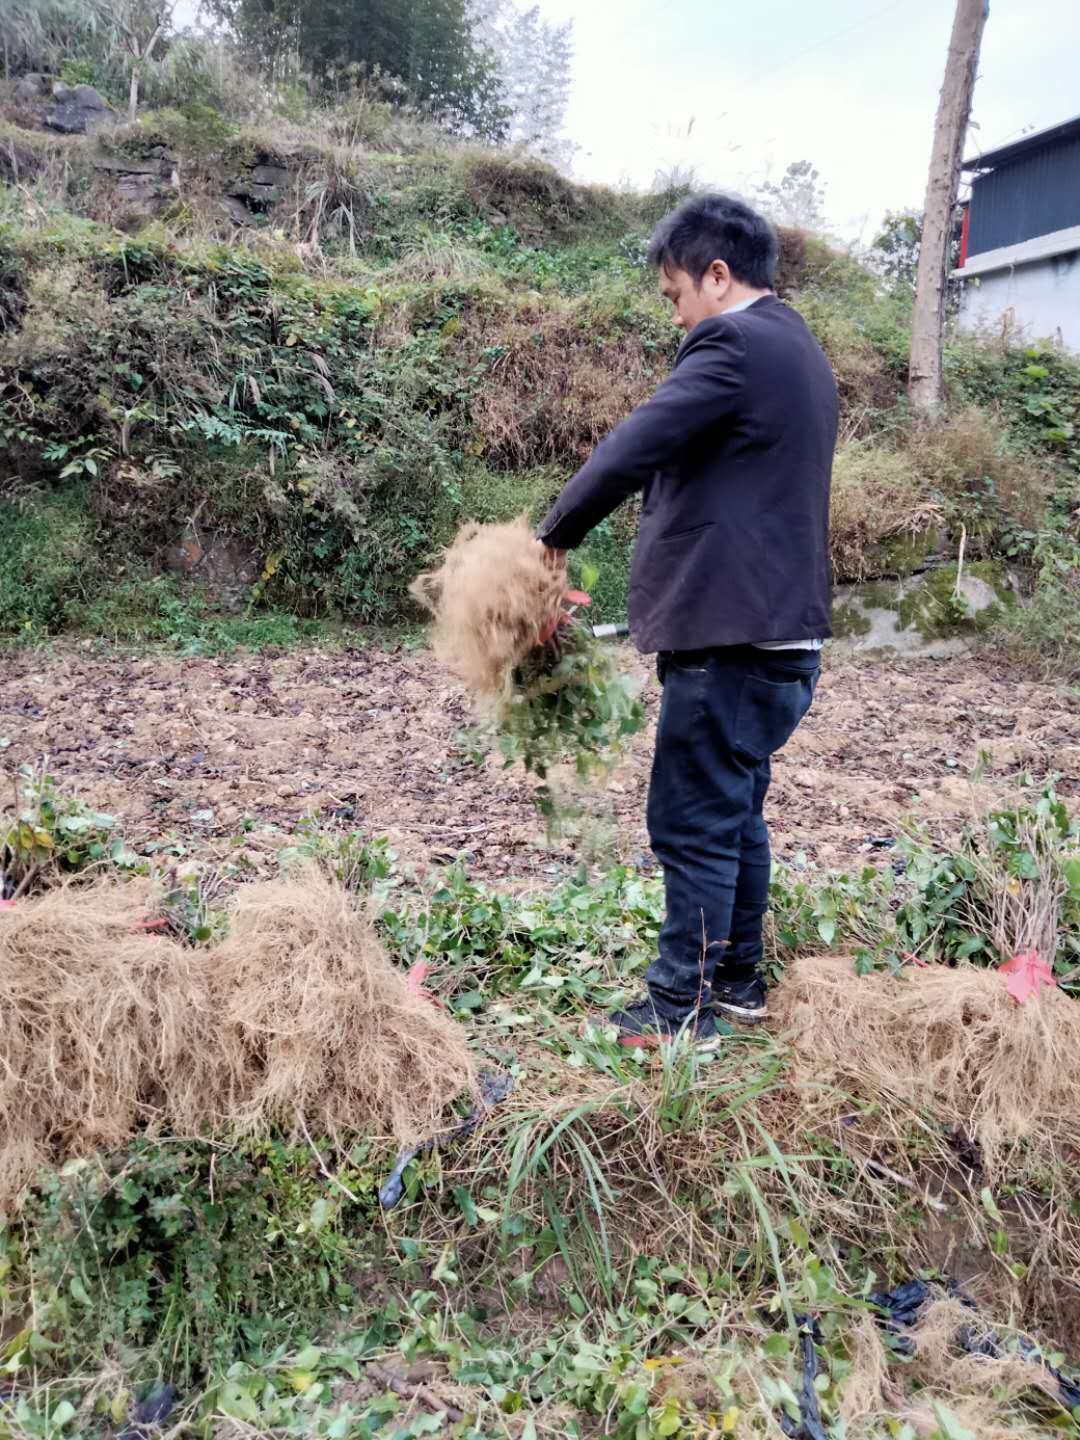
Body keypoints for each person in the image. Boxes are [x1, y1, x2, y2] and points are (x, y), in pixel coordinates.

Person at [536, 192, 838, 1049]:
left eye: (675, 296)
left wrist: (553, 536)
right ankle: (736, 981)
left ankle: (680, 1008)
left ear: (717, 274)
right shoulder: (800, 350)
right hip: (782, 634)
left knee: (691, 816)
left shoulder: (734, 342)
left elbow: (638, 441)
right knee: (734, 811)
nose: (676, 318)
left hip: (731, 635)